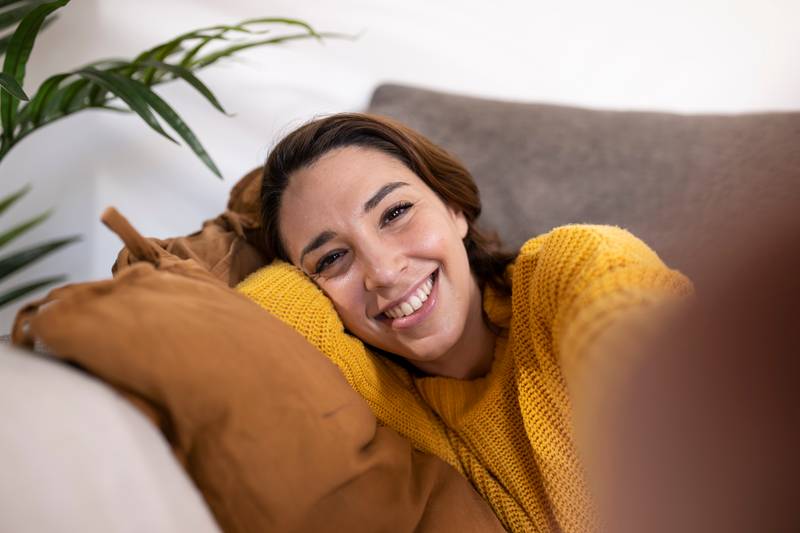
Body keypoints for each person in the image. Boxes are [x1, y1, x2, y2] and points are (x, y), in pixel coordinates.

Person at [237, 113, 693, 533]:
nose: (384, 271)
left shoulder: (569, 267)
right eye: (333, 257)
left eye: (395, 213)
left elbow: (652, 355)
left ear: (454, 207)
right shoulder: (379, 399)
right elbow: (262, 314)